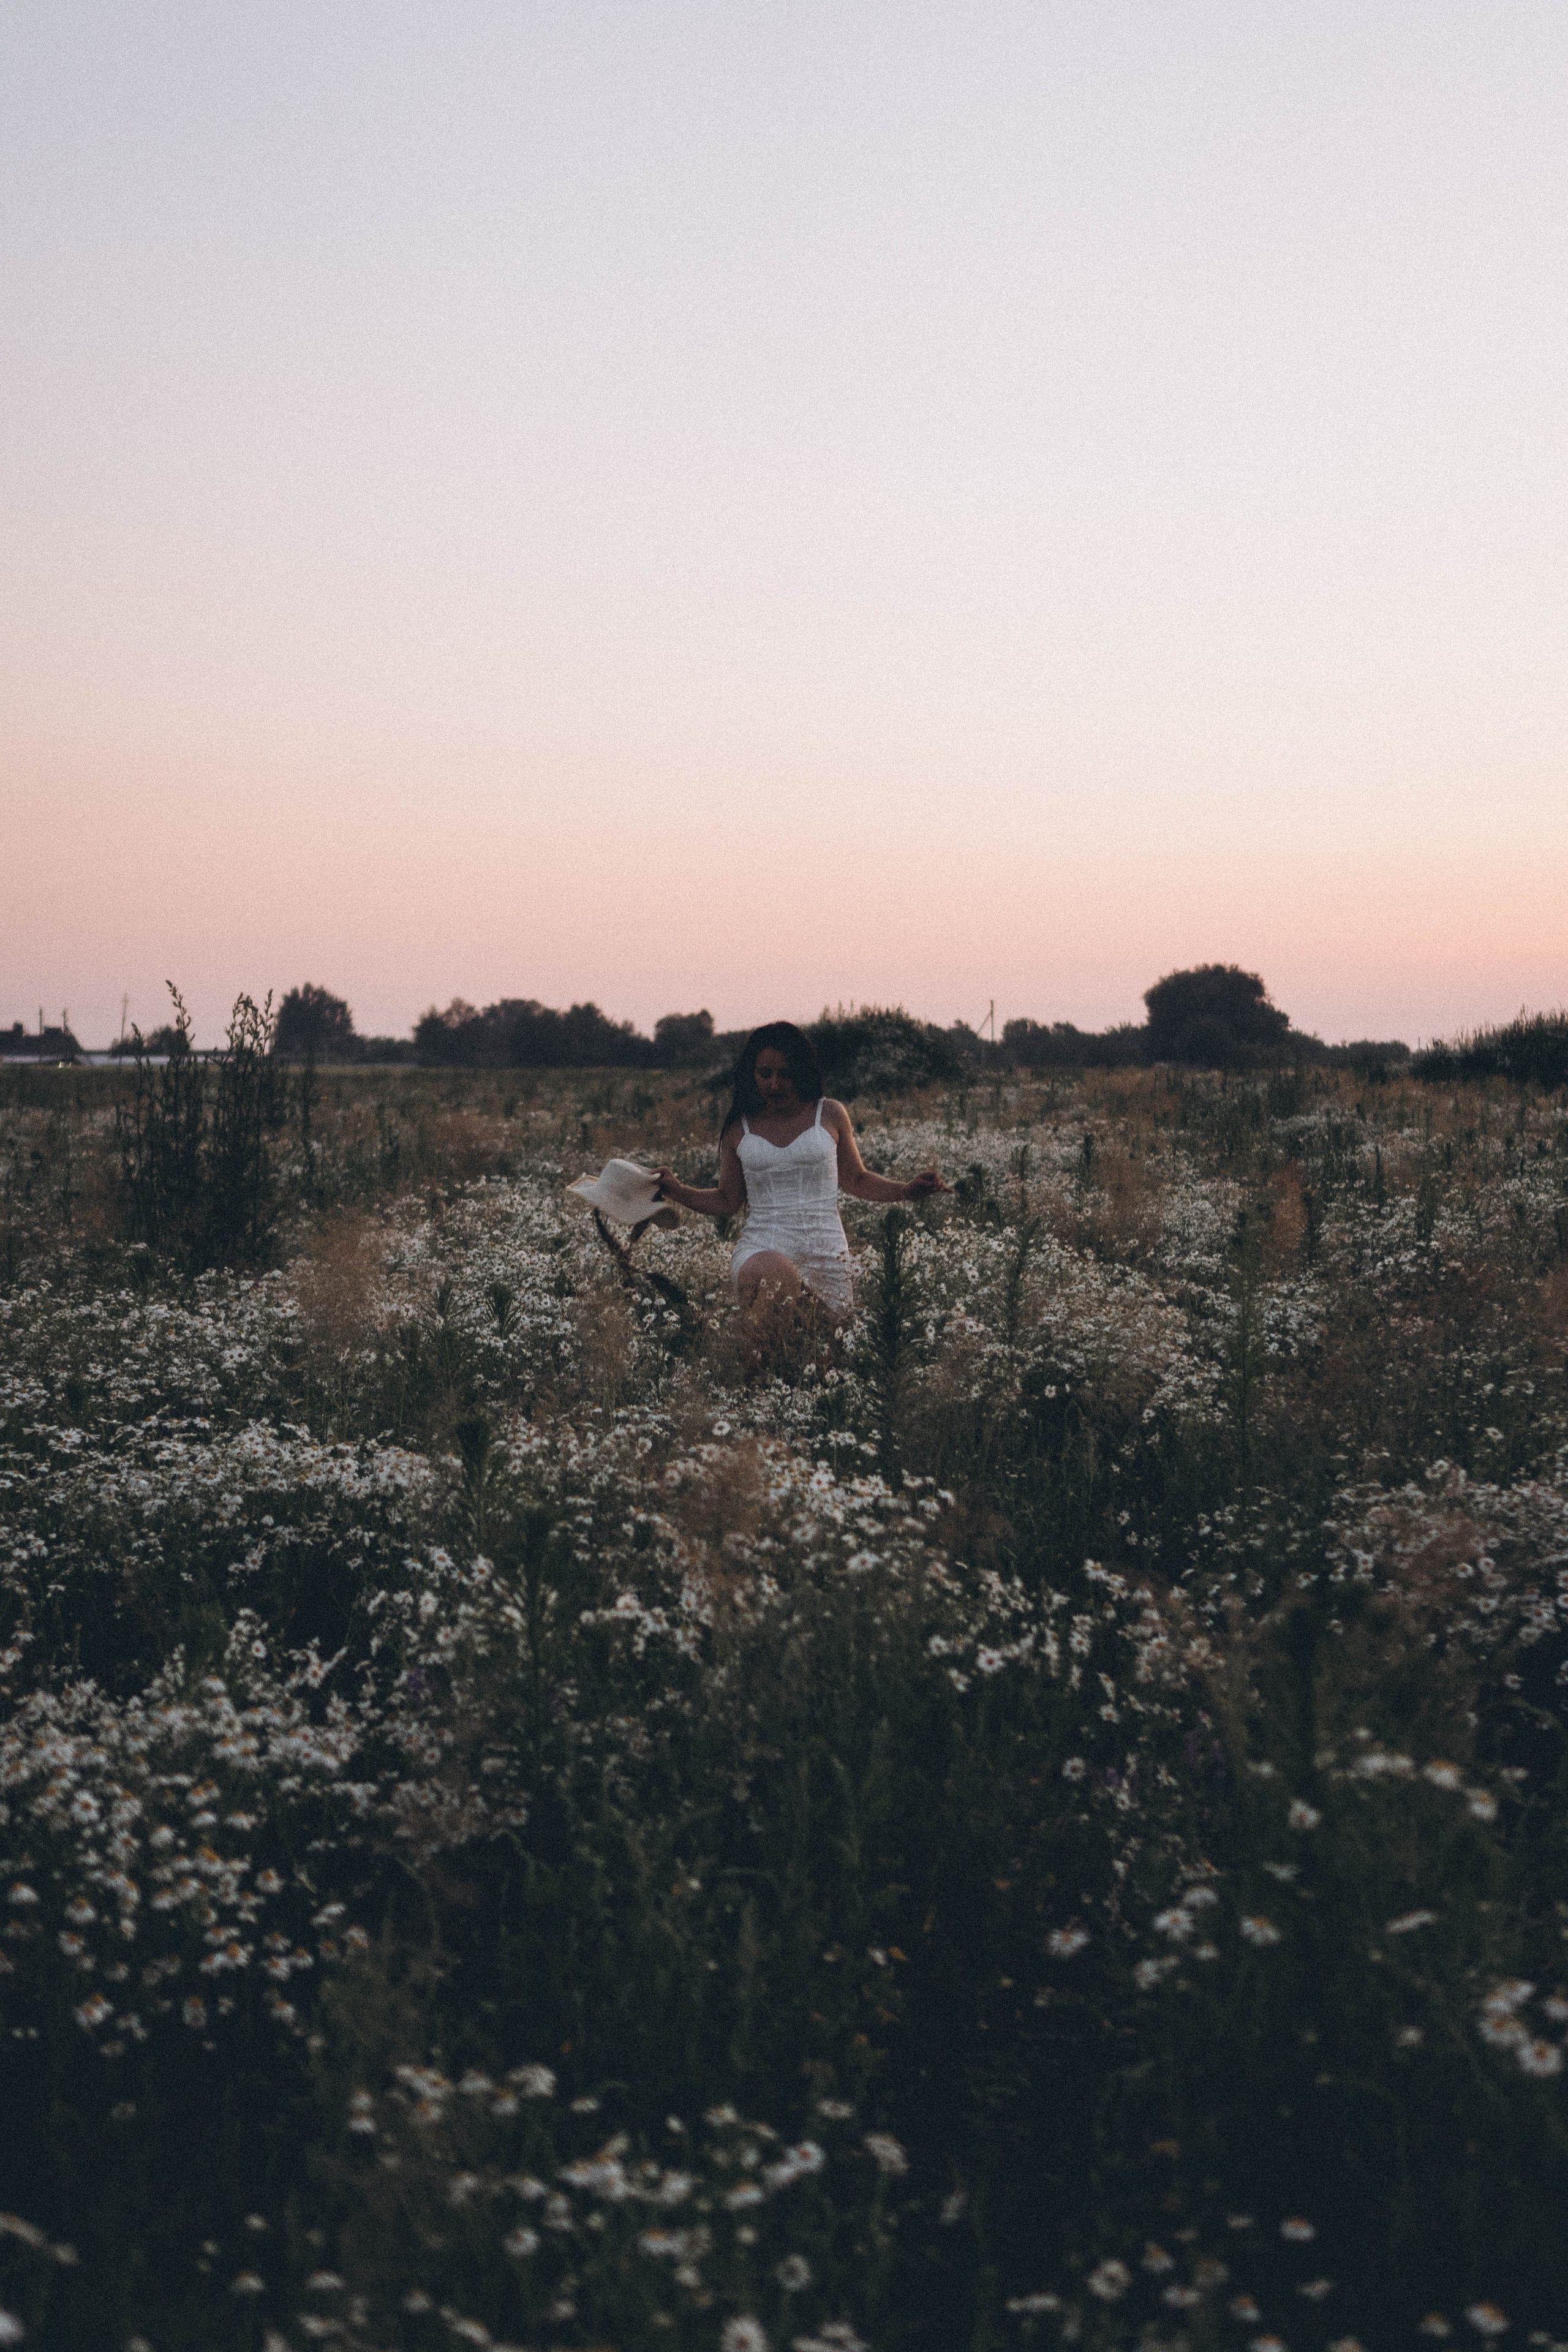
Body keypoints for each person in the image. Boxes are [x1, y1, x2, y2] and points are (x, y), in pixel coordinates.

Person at [652, 1022, 948, 1313]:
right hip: (761, 1252)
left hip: (827, 1257)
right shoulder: (738, 1127)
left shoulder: (830, 1113)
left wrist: (907, 1191)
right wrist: (678, 1191)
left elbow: (857, 1179)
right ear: (752, 1074)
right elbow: (728, 1200)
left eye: (786, 1074)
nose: (774, 1085)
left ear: (802, 1072)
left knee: (819, 1354)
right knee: (777, 1280)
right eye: (764, 1073)